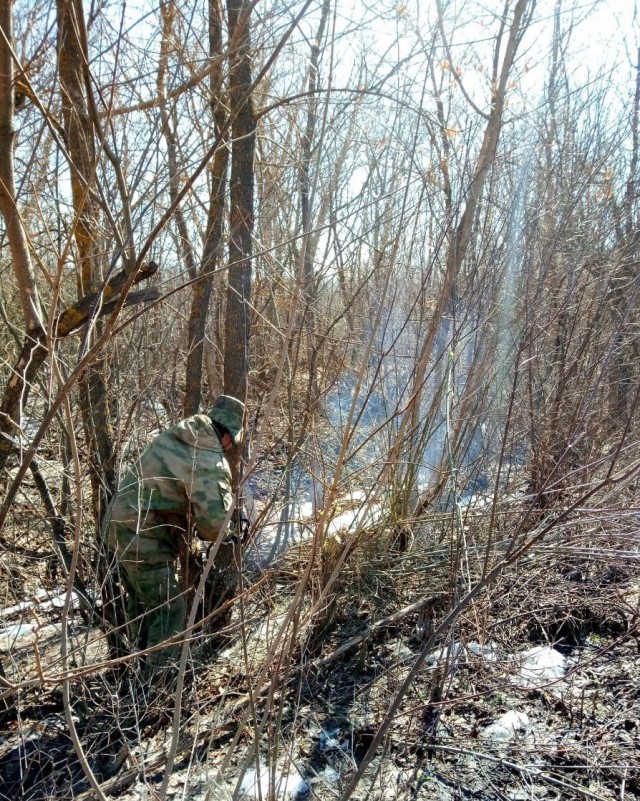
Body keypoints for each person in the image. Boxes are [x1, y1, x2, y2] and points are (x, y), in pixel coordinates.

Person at [108, 394, 245, 671]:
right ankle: (157, 688)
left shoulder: (181, 433)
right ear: (228, 436)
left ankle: (134, 675)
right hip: (143, 536)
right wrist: (233, 530)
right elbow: (215, 527)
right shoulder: (208, 455)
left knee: (145, 606)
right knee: (170, 610)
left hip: (119, 526)